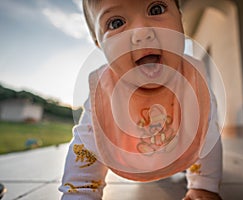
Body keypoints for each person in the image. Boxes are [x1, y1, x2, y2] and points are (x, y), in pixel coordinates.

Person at [59, 0, 223, 199]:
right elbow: (86, 146)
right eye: (116, 23)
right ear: (99, 44)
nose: (142, 32)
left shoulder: (193, 79)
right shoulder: (105, 90)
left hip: (178, 148)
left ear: (180, 18)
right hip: (139, 152)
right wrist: (80, 192)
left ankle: (177, 166)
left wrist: (203, 185)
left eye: (156, 9)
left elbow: (207, 133)